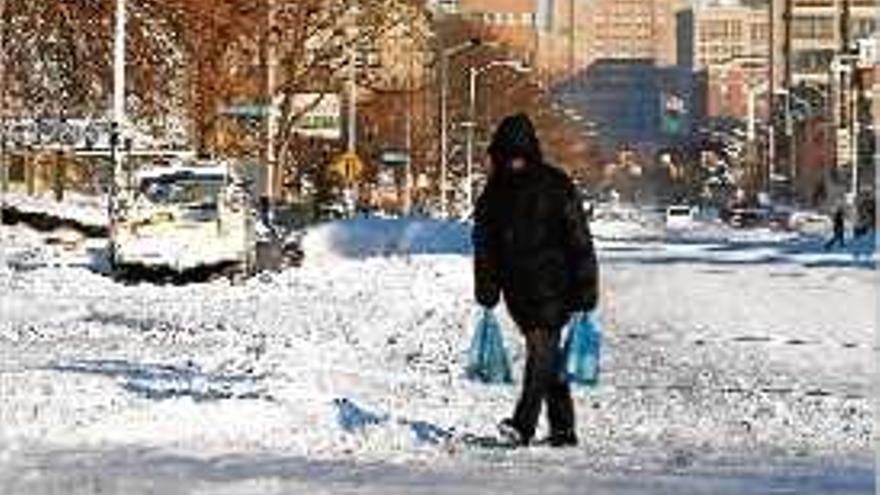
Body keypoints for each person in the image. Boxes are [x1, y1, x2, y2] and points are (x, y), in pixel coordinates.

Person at [473, 113, 599, 448]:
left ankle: (523, 424)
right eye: (509, 154)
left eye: (519, 154)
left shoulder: (542, 187)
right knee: (549, 356)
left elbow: (578, 239)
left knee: (541, 351)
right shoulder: (504, 192)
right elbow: (485, 246)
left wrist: (585, 287)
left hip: (553, 289)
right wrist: (487, 287)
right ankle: (563, 429)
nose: (514, 161)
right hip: (524, 290)